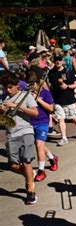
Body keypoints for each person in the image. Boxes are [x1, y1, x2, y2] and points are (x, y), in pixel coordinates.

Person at [0, 73, 39, 204]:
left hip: (25, 131)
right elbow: (3, 121)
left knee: (26, 161)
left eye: (10, 87)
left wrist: (17, 106)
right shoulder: (3, 98)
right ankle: (29, 174)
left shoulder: (25, 96)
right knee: (13, 165)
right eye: (6, 87)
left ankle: (30, 189)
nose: (8, 90)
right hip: (11, 133)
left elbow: (35, 113)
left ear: (17, 86)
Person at [27, 71, 59, 181]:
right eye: (29, 84)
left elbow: (50, 109)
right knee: (38, 144)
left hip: (42, 122)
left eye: (32, 84)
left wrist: (39, 99)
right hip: (31, 122)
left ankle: (41, 171)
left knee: (39, 146)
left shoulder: (45, 93)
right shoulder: (27, 94)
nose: (31, 86)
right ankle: (52, 158)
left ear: (37, 83)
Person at [48, 54, 76, 146]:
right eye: (56, 60)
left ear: (62, 61)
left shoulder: (68, 71)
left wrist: (67, 86)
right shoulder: (51, 72)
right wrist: (50, 97)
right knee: (60, 119)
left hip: (68, 98)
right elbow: (51, 85)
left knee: (72, 117)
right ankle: (64, 137)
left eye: (59, 59)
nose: (58, 61)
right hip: (57, 99)